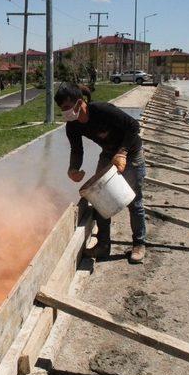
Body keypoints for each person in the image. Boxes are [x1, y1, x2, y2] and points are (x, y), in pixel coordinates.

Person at [55, 82, 146, 264]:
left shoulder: (102, 110)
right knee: (99, 199)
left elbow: (133, 127)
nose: (65, 112)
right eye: (61, 108)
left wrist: (123, 152)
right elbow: (76, 150)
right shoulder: (72, 125)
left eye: (66, 107)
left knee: (133, 201)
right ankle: (103, 245)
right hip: (108, 154)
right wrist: (73, 168)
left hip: (131, 152)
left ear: (79, 102)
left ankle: (139, 244)